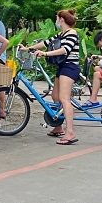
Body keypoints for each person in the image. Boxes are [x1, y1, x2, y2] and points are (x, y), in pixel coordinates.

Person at [20, 9, 80, 145]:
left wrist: (45, 54)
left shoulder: (72, 34)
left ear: (62, 20)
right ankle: (58, 126)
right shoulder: (62, 33)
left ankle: (69, 131)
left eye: (57, 18)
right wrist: (28, 48)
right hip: (63, 67)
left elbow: (65, 50)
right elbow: (46, 43)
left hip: (70, 68)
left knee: (65, 99)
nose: (56, 21)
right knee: (55, 97)